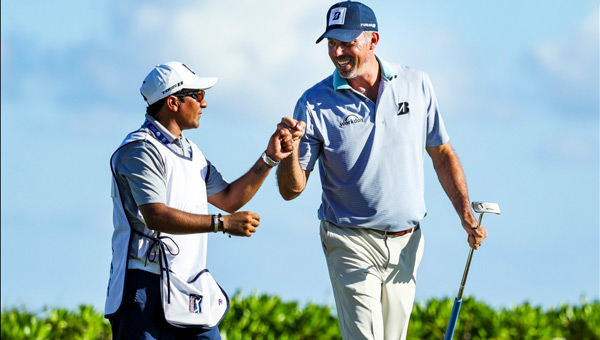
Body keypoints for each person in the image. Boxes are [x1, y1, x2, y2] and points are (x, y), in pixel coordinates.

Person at [276, 1, 488, 339]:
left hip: (407, 242)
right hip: (349, 239)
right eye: (332, 43)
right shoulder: (313, 102)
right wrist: (287, 156)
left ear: (373, 40)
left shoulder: (416, 84)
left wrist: (464, 211)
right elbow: (292, 189)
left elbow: (442, 152)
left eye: (347, 43)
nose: (338, 52)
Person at [105, 61, 292, 340]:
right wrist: (222, 224)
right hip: (143, 287)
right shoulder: (139, 149)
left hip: (189, 284)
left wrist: (269, 159)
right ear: (173, 102)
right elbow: (156, 215)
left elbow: (229, 199)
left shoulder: (193, 153)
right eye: (199, 96)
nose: (204, 104)